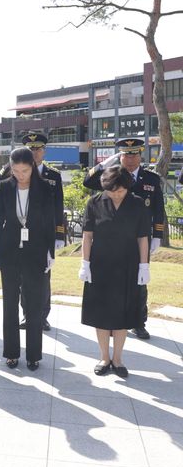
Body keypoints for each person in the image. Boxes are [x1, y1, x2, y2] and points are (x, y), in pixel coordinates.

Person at [84, 138, 165, 339]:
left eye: (134, 154)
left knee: (139, 282)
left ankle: (138, 321)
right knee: (112, 282)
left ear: (140, 155)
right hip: (110, 241)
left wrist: (157, 235)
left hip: (138, 240)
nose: (130, 159)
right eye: (125, 155)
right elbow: (88, 181)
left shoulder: (151, 179)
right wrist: (104, 164)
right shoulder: (111, 175)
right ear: (119, 156)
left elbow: (159, 209)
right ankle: (112, 320)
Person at [79, 166, 150, 378]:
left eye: (120, 191)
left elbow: (142, 238)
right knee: (101, 312)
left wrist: (144, 266)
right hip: (100, 264)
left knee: (122, 313)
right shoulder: (95, 203)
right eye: (112, 191)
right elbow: (87, 236)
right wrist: (85, 263)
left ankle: (117, 359)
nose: (116, 194)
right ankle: (104, 357)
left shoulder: (137, 204)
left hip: (128, 265)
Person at [0, 147, 55, 370]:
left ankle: (34, 355)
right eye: (16, 170)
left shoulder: (45, 188)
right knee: (9, 304)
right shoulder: (5, 187)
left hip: (36, 251)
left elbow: (49, 221)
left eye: (25, 170)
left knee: (34, 306)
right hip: (9, 251)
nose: (20, 175)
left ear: (32, 168)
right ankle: (11, 352)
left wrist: (50, 252)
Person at [19, 133, 65, 332]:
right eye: (30, 149)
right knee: (23, 277)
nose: (34, 152)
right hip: (21, 233)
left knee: (43, 276)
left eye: (37, 149)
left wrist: (59, 235)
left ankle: (43, 316)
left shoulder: (53, 176)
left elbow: (58, 207)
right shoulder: (16, 172)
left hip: (44, 235)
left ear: (44, 151)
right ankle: (27, 314)